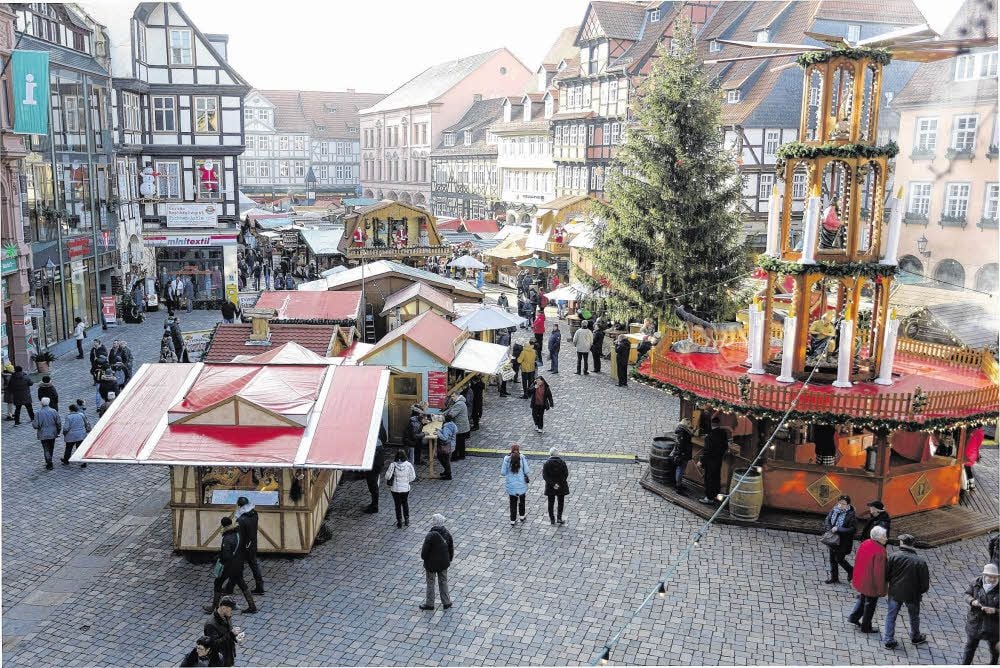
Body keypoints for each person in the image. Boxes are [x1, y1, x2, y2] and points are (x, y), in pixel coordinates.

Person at [883, 533, 929, 649]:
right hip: (912, 595)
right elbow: (924, 585)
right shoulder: (920, 561)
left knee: (891, 616)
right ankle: (915, 636)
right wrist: (919, 591)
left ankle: (889, 639)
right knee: (914, 616)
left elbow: (886, 575)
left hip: (895, 592)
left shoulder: (894, 556)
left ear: (902, 543)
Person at [204, 516, 257, 615]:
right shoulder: (238, 535)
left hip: (229, 566)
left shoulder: (227, 539)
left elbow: (226, 556)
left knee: (218, 583)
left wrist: (218, 560)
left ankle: (214, 607)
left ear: (223, 526)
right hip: (239, 564)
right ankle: (252, 606)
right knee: (242, 584)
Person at [849, 525, 888, 634]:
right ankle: (866, 627)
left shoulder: (865, 543)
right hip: (871, 583)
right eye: (884, 536)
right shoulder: (880, 551)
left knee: (862, 599)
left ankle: (854, 617)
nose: (886, 538)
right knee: (870, 605)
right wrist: (881, 589)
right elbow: (879, 573)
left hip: (862, 579)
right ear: (878, 538)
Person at [963, 563, 1000, 664]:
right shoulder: (975, 582)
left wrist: (995, 611)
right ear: (984, 575)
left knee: (994, 651)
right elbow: (967, 594)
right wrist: (972, 601)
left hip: (994, 627)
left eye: (995, 577)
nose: (992, 580)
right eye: (990, 577)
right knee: (969, 649)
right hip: (975, 623)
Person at [420, 513, 454, 610]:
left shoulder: (430, 535)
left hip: (431, 564)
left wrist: (425, 559)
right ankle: (446, 602)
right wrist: (448, 560)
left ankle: (430, 603)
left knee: (430, 582)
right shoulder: (447, 534)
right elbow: (451, 549)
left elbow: (424, 553)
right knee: (443, 581)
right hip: (443, 563)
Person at [824, 494, 857, 584]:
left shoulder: (851, 515)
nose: (841, 505)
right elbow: (828, 520)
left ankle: (851, 571)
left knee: (839, 559)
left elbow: (853, 529)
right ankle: (834, 577)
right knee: (832, 559)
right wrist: (829, 529)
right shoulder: (834, 510)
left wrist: (839, 529)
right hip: (833, 538)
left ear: (848, 505)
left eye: (843, 504)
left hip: (843, 541)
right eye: (840, 503)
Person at [235, 497, 264, 595]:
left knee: (238, 565)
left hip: (244, 546)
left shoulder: (241, 520)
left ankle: (233, 586)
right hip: (253, 543)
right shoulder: (254, 514)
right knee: (254, 565)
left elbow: (240, 535)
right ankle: (260, 587)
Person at [203, 598, 243, 667]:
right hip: (219, 659)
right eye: (231, 609)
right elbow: (214, 644)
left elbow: (228, 631)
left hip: (228, 654)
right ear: (224, 608)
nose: (232, 612)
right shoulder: (211, 624)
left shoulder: (226, 615)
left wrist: (235, 637)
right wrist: (231, 634)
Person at [698, 416, 729, 505]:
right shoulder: (723, 433)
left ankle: (709, 498)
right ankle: (715, 494)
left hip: (710, 461)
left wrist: (701, 461)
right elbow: (725, 447)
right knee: (716, 478)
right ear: (719, 424)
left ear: (711, 424)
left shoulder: (710, 436)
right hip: (718, 460)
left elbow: (707, 451)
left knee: (709, 479)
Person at [385, 449, 417, 528]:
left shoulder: (393, 465)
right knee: (405, 503)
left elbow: (387, 476)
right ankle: (406, 520)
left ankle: (399, 521)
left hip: (395, 489)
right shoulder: (409, 465)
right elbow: (413, 477)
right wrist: (406, 481)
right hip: (405, 489)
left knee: (397, 505)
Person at [501, 443, 530, 525]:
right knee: (522, 501)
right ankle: (522, 516)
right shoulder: (522, 458)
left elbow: (503, 473)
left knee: (512, 503)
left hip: (511, 486)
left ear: (511, 450)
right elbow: (527, 471)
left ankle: (513, 520)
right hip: (521, 485)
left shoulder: (507, 459)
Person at [31, 397, 61, 470]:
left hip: (43, 434)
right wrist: (58, 431)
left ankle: (49, 462)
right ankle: (49, 459)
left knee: (46, 448)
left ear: (41, 403)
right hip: (52, 433)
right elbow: (58, 423)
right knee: (51, 447)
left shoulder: (38, 413)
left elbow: (35, 426)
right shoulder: (54, 411)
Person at [542, 447, 569, 525]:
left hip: (550, 487)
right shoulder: (562, 462)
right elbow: (566, 474)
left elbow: (545, 476)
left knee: (551, 503)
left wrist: (553, 484)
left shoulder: (547, 463)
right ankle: (559, 518)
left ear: (550, 454)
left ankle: (552, 519)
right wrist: (559, 484)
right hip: (561, 486)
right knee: (560, 502)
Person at [62, 403, 90, 467]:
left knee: (68, 448)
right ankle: (83, 462)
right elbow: (86, 423)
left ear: (70, 410)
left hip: (70, 436)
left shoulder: (68, 417)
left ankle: (66, 460)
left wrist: (64, 433)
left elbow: (66, 428)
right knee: (80, 449)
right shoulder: (81, 415)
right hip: (81, 435)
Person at [445, 394, 470, 461]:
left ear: (457, 396)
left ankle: (455, 457)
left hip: (460, 426)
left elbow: (451, 414)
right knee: (461, 442)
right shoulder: (459, 402)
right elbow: (450, 410)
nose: (452, 398)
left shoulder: (459, 404)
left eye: (453, 396)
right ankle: (462, 455)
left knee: (456, 442)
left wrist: (444, 418)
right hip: (462, 426)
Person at [673, 419, 695, 494]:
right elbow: (681, 445)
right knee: (680, 470)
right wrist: (682, 455)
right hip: (682, 454)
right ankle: (678, 487)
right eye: (689, 424)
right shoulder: (683, 432)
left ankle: (679, 484)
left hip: (682, 454)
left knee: (680, 470)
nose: (690, 425)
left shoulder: (682, 430)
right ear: (686, 424)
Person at [363, 439, 386, 513]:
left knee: (373, 487)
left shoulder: (375, 447)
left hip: (373, 468)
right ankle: (373, 504)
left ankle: (374, 506)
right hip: (375, 467)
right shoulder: (378, 443)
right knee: (373, 487)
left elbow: (371, 458)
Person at [965, 426, 985, 491]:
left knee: (967, 469)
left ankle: (969, 485)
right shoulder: (979, 432)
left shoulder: (974, 432)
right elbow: (978, 445)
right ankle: (971, 485)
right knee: (967, 469)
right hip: (972, 453)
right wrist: (977, 455)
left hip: (969, 453)